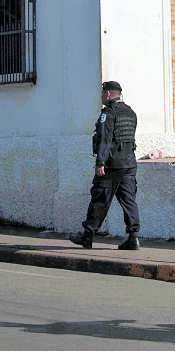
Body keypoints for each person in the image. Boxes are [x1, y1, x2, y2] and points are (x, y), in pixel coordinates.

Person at [70, 80, 140, 250]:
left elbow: (105, 139)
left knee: (100, 198)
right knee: (129, 200)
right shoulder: (131, 113)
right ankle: (133, 237)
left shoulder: (107, 114)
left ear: (108, 94)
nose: (101, 96)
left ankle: (87, 236)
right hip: (129, 163)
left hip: (112, 165)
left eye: (102, 93)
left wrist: (100, 162)